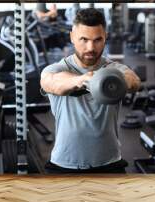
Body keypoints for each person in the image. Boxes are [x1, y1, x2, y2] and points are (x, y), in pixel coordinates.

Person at [40, 8, 141, 174]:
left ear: (105, 37)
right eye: (84, 39)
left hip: (110, 163)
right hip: (65, 165)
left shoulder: (113, 68)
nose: (90, 47)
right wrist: (82, 80)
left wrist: (110, 80)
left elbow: (134, 80)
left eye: (97, 40)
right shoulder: (57, 68)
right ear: (72, 37)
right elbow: (51, 82)